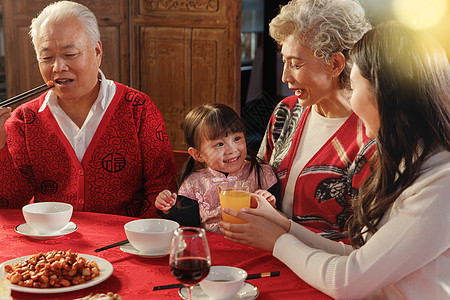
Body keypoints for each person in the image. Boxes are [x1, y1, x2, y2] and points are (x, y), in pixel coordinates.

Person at [221, 22, 450, 299]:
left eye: (353, 88)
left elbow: (347, 280)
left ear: (385, 94)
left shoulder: (441, 182)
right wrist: (284, 226)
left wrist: (278, 241)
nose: (351, 101)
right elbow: (359, 255)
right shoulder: (410, 163)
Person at [0, 1, 177, 217]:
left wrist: (138, 239)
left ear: (97, 52)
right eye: (46, 57)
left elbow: (162, 190)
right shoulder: (23, 120)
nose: (58, 67)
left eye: (70, 54)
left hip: (125, 244)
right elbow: (10, 205)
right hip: (51, 246)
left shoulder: (138, 109)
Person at [257, 0, 377, 242]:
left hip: (328, 271)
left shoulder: (369, 136)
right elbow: (254, 178)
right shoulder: (285, 113)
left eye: (296, 64)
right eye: (284, 61)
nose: (285, 77)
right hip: (265, 257)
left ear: (335, 64)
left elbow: (363, 246)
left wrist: (281, 238)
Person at [156, 103, 281, 233]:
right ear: (198, 154)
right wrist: (168, 209)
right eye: (219, 144)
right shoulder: (193, 183)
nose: (232, 150)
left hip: (254, 245)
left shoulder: (262, 174)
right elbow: (188, 225)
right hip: (212, 248)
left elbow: (279, 222)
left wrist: (270, 206)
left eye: (237, 138)